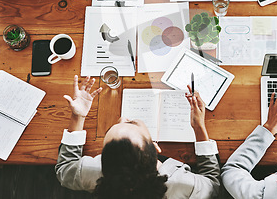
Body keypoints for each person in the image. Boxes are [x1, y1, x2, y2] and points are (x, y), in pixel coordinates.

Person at [55, 76, 221, 198]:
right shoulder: (186, 186)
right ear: (155, 148)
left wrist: (78, 117)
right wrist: (199, 128)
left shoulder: (92, 172)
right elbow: (213, 183)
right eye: (132, 123)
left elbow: (65, 169)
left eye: (118, 124)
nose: (123, 118)